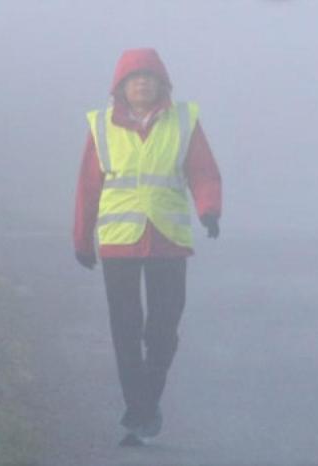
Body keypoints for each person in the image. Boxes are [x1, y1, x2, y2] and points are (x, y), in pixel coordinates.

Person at [73, 48, 222, 447]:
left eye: (149, 77)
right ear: (120, 87)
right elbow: (88, 187)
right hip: (119, 242)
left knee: (163, 329)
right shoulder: (101, 125)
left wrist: (209, 210)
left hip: (167, 241)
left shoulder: (183, 121)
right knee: (125, 329)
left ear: (162, 85)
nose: (142, 83)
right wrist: (82, 239)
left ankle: (146, 402)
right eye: (134, 78)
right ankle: (139, 411)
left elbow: (203, 172)